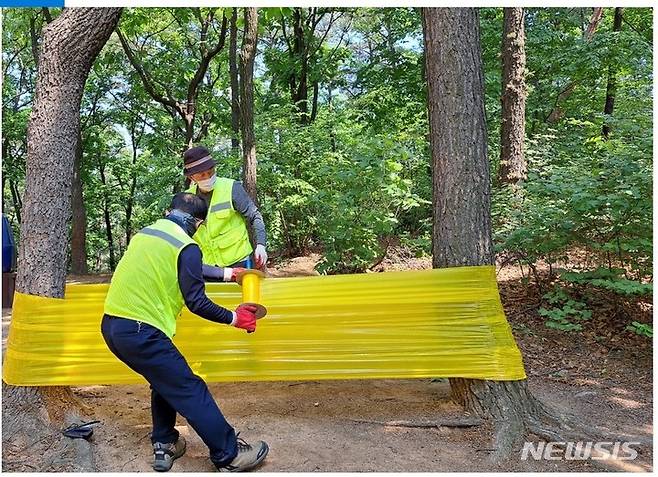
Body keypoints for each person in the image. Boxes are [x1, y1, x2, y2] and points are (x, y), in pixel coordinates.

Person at [101, 192, 269, 472]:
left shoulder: (146, 235)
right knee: (190, 388)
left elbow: (186, 268)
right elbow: (196, 301)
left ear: (170, 212)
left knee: (164, 380)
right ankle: (229, 454)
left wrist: (230, 274)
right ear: (198, 223)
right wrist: (234, 318)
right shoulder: (187, 245)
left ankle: (165, 443)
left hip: (113, 327)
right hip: (143, 332)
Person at [182, 146, 267, 282]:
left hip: (240, 263)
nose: (208, 177)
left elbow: (255, 216)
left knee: (244, 303)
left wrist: (261, 245)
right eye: (202, 175)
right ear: (192, 176)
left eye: (211, 172)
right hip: (209, 269)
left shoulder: (232, 188)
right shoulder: (186, 199)